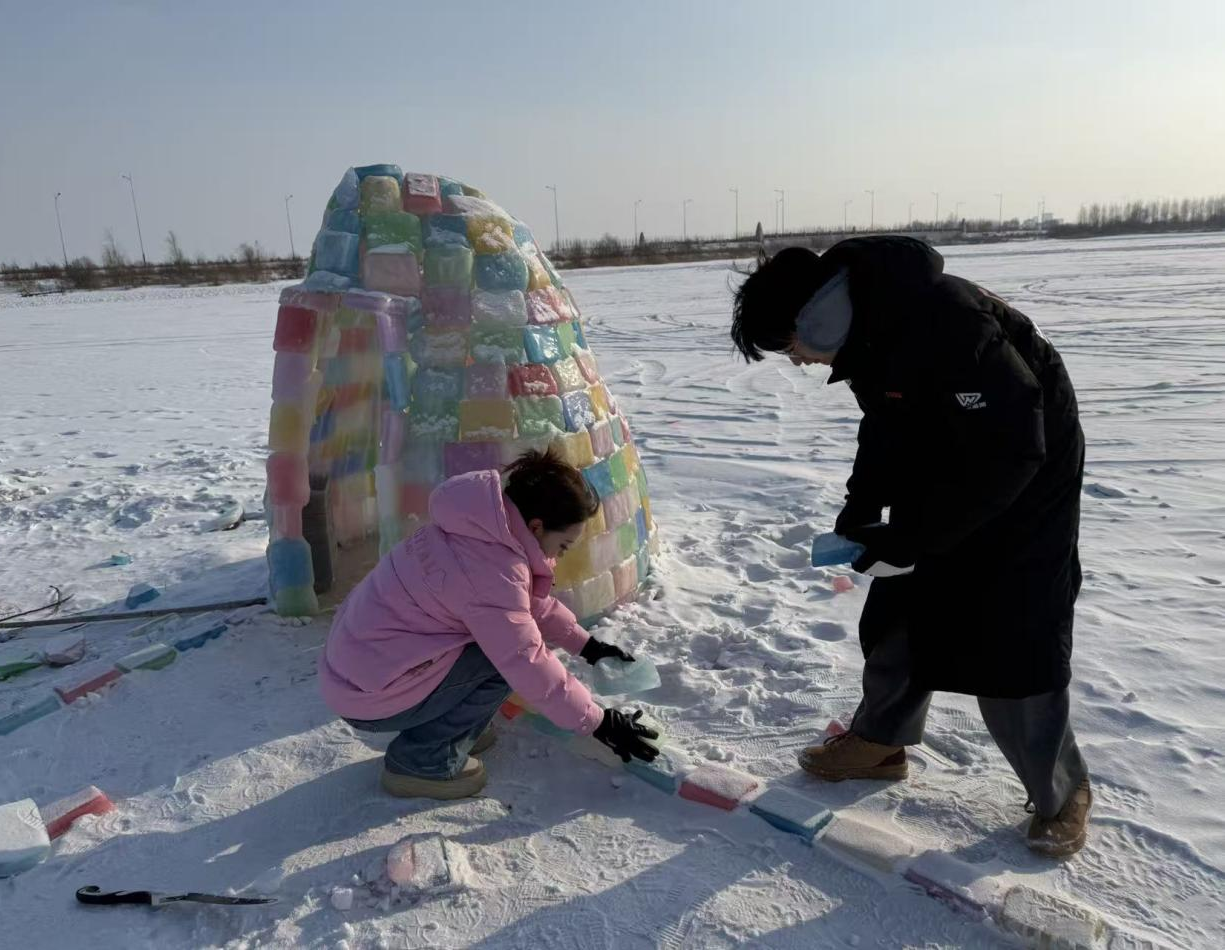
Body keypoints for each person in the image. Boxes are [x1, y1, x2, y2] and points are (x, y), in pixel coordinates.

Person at [730, 236, 1091, 857]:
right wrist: (864, 507)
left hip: (1028, 473)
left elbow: (1013, 449)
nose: (797, 361)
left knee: (1014, 633)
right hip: (953, 458)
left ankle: (1062, 790)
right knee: (902, 601)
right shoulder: (871, 329)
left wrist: (917, 536)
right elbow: (886, 424)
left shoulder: (948, 322)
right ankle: (880, 742)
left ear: (815, 318)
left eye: (789, 346)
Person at [318, 449, 658, 800]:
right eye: (562, 545)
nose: (557, 556)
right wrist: (598, 723)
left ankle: (450, 728)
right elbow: (526, 659)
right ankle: (423, 760)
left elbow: (522, 605)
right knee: (500, 661)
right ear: (536, 526)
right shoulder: (494, 570)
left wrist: (587, 645)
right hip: (368, 696)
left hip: (355, 673)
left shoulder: (478, 530)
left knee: (496, 646)